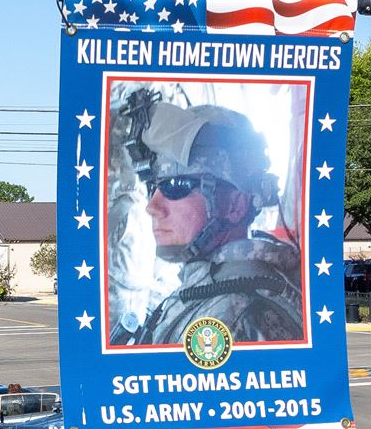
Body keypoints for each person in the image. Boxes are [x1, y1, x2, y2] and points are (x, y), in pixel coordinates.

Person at [117, 97, 305, 346]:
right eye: (154, 187)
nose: (152, 207)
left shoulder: (239, 314)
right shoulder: (212, 288)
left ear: (235, 205)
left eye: (175, 186)